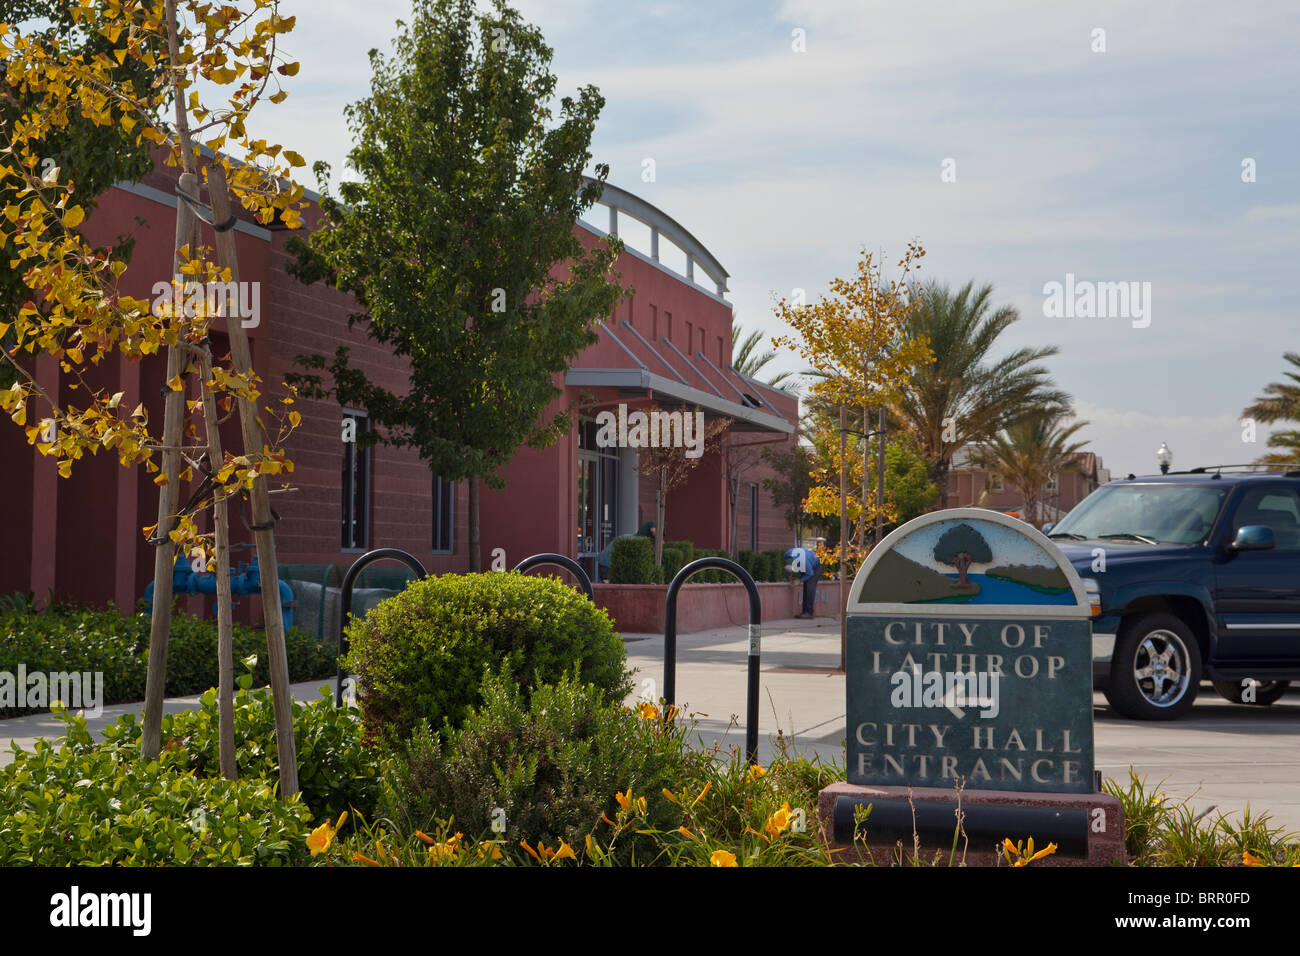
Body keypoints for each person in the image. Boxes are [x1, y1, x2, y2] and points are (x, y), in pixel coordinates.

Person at [784, 546, 821, 619]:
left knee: (809, 587)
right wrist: (790, 577)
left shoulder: (804, 563)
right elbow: (789, 568)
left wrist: (799, 580)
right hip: (805, 559)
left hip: (815, 564)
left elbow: (810, 573)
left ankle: (809, 613)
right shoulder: (787, 555)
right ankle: (804, 612)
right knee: (805, 587)